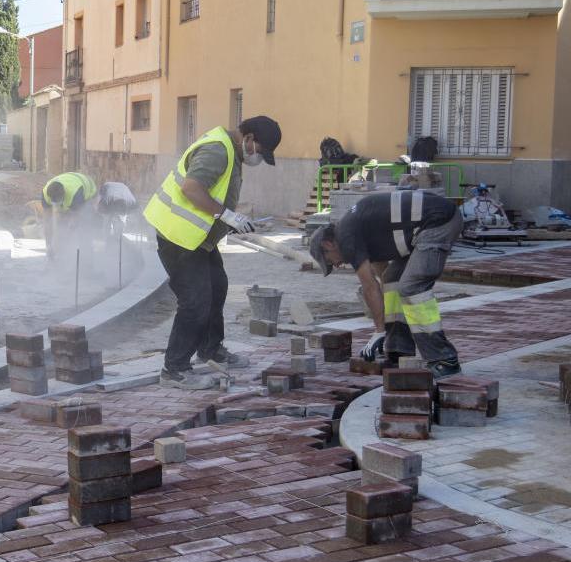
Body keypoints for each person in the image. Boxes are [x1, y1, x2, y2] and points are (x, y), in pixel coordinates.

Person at [144, 116, 282, 389]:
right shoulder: (218, 150)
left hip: (198, 239)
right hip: (178, 237)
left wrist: (229, 221)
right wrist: (226, 215)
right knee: (195, 301)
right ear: (249, 138)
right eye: (259, 150)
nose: (257, 157)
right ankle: (174, 369)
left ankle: (210, 350)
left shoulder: (231, 151)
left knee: (218, 286)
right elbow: (191, 188)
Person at [309, 189, 463, 378]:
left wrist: (379, 331)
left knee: (411, 287)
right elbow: (382, 276)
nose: (338, 265)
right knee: (392, 280)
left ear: (328, 245)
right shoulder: (355, 231)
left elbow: (369, 286)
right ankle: (399, 349)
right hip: (426, 226)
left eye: (331, 261)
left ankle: (445, 359)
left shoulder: (346, 237)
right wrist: (384, 332)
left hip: (438, 222)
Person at [41, 172, 98, 259]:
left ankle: (86, 258)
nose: (56, 204)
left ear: (64, 194)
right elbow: (47, 222)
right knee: (61, 223)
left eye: (58, 201)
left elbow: (74, 221)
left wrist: (65, 240)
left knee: (84, 226)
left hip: (88, 192)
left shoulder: (75, 194)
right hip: (70, 183)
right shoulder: (46, 193)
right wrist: (49, 245)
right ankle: (61, 255)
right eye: (54, 202)